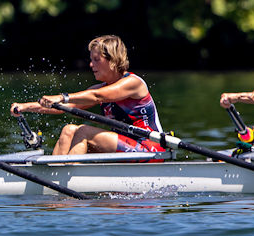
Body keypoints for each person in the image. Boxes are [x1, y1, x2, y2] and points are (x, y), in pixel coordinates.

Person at [10, 35, 165, 157]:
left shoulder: (133, 83)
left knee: (83, 132)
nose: (91, 65)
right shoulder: (101, 89)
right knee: (69, 129)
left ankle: (65, 180)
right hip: (127, 146)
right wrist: (25, 107)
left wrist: (62, 96)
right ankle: (55, 174)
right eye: (91, 60)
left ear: (113, 61)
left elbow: (97, 96)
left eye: (96, 60)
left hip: (149, 148)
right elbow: (65, 108)